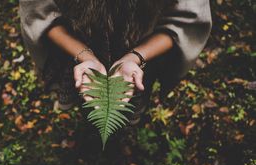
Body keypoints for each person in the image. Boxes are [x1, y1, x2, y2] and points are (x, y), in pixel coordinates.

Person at [19, 0, 212, 122]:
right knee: (83, 94)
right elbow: (39, 13)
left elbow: (186, 20)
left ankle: (116, 123)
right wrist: (85, 56)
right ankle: (92, 120)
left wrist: (135, 57)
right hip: (73, 46)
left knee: (129, 101)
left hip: (142, 49)